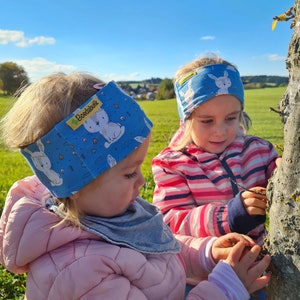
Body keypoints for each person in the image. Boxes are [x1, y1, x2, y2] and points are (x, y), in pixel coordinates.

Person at [0, 72, 271, 300]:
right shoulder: (81, 271)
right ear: (76, 185)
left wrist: (206, 252)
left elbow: (156, 246)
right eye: (130, 174)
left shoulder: (110, 211)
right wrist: (227, 288)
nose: (142, 181)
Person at [151, 55, 280, 297]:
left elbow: (279, 174)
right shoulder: (173, 164)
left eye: (231, 118)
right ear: (186, 118)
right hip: (203, 280)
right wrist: (229, 216)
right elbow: (169, 222)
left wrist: (282, 168)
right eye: (207, 121)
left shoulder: (257, 150)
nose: (220, 131)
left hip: (256, 270)